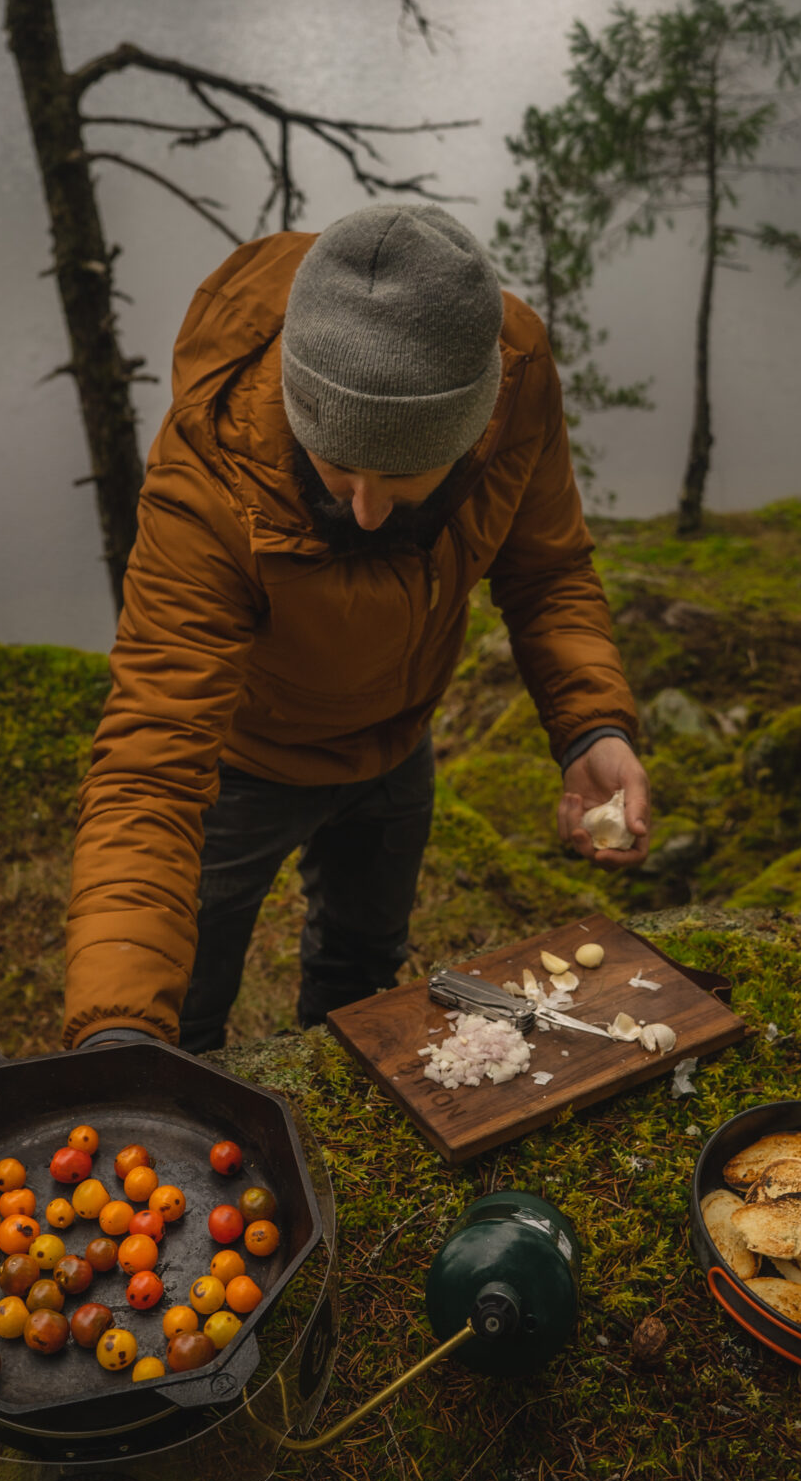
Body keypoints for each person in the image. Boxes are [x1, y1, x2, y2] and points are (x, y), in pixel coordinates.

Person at [64, 204, 651, 1056]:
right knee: (182, 1014)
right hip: (241, 763)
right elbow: (147, 770)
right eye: (339, 469)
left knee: (365, 974)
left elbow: (547, 569)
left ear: (474, 425)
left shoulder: (513, 374)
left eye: (405, 478)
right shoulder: (210, 476)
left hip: (395, 745)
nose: (369, 512)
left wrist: (590, 723)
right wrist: (118, 1030)